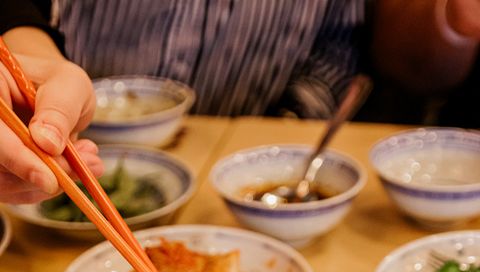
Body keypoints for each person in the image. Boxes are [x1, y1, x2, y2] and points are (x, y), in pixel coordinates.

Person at [0, 0, 479, 204]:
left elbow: (340, 44)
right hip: (76, 146)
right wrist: (31, 60)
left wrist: (277, 133)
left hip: (246, 150)